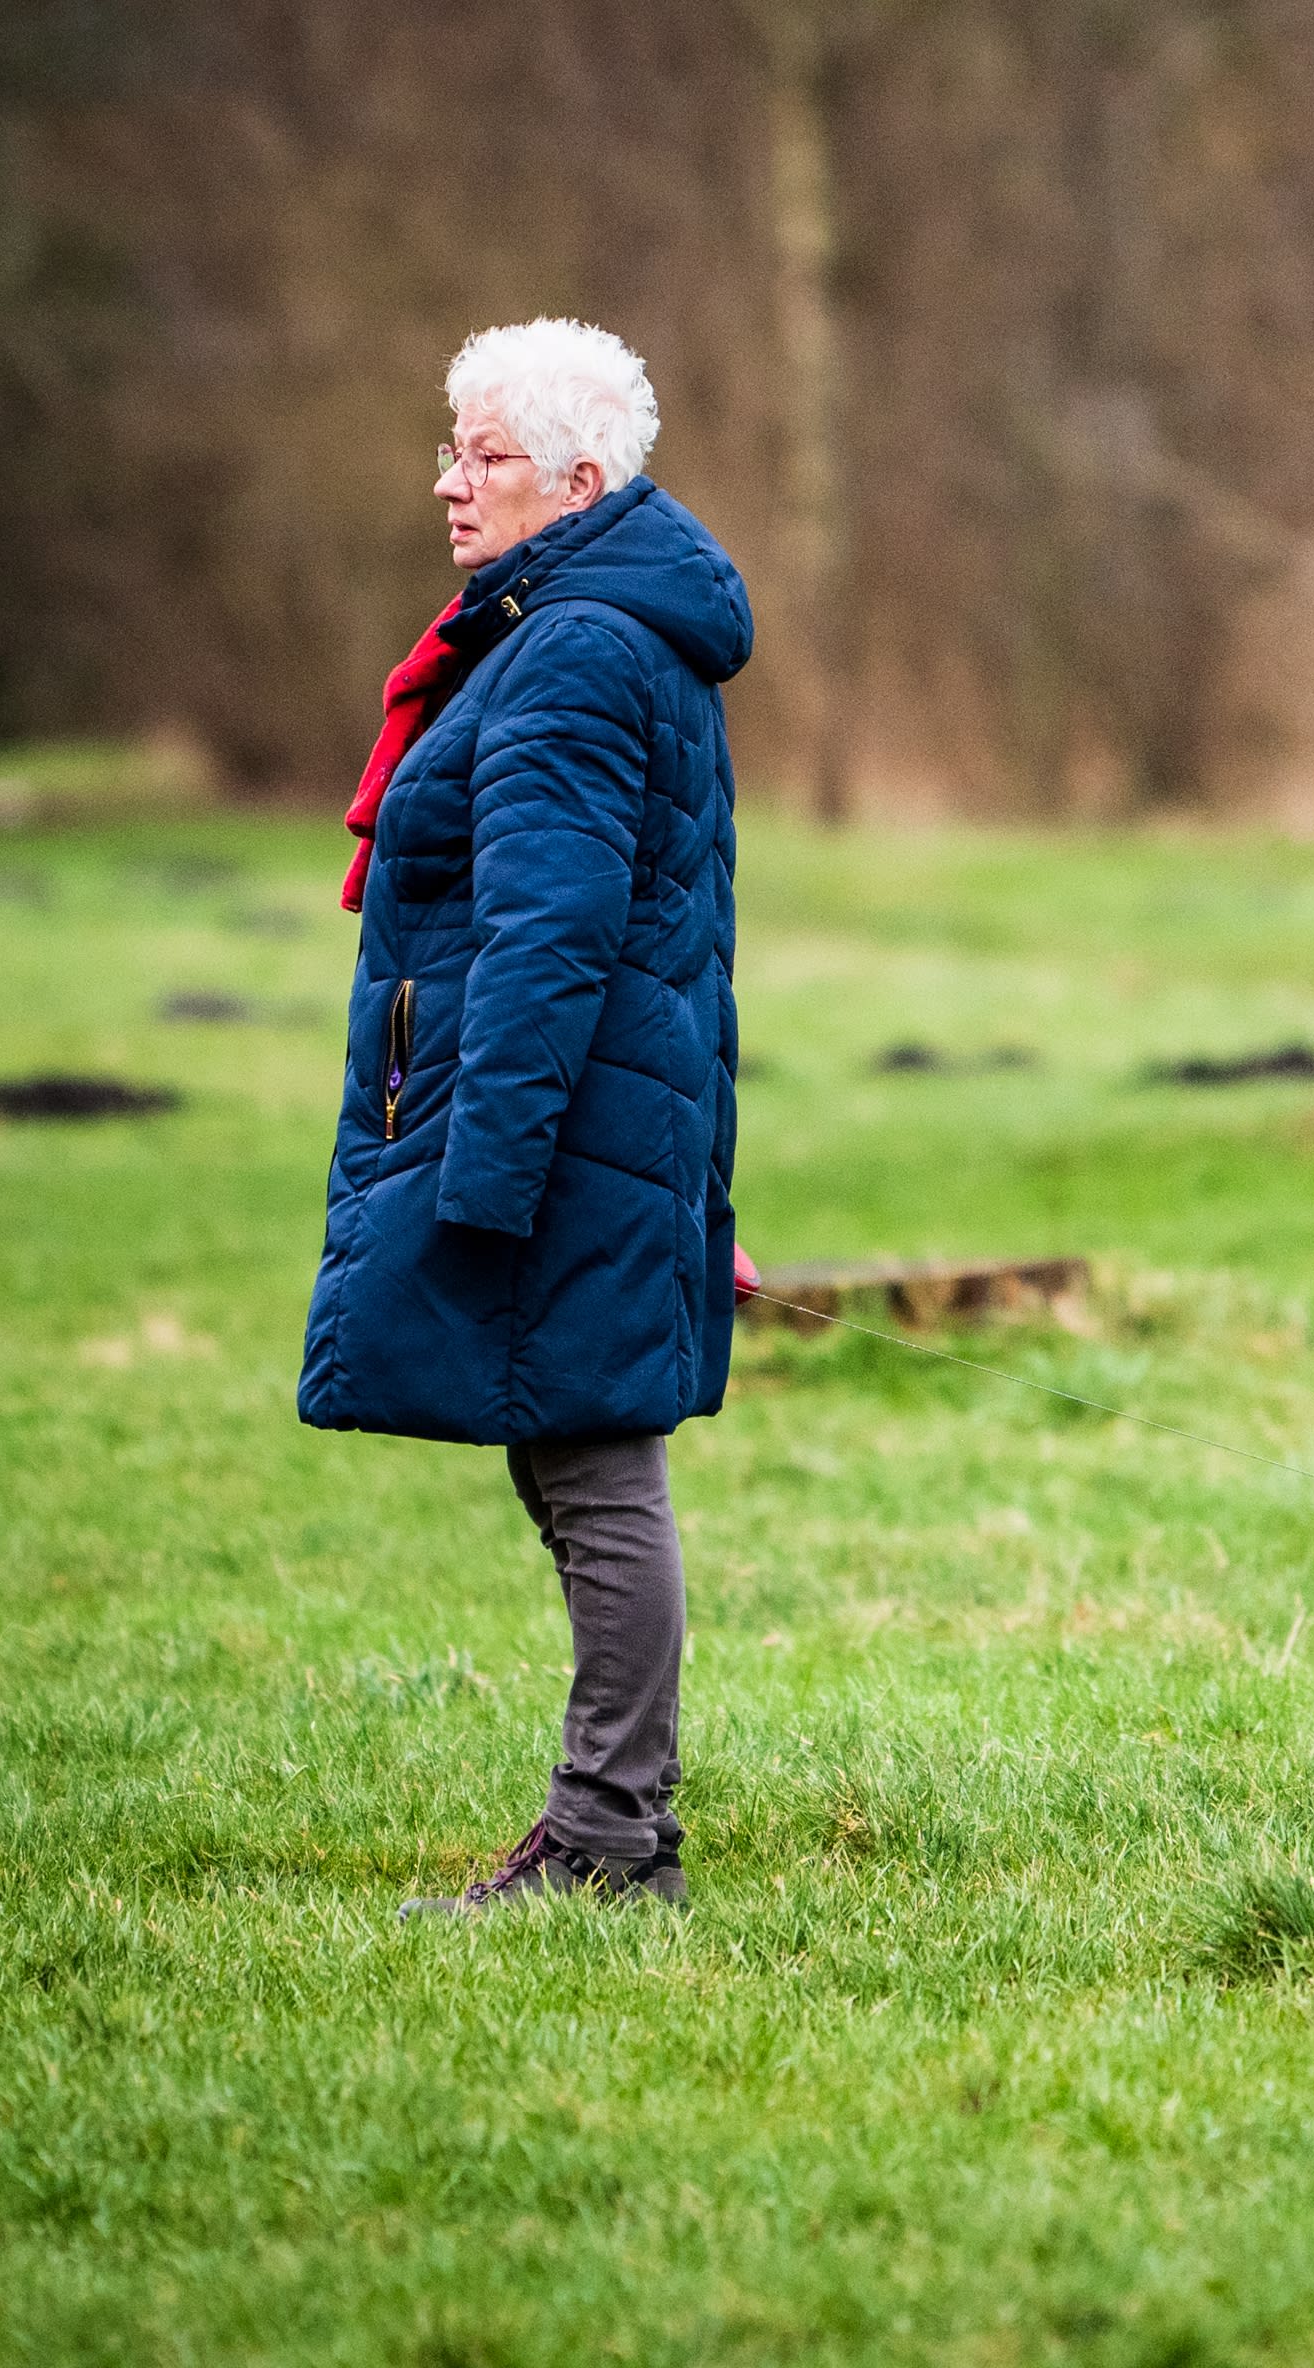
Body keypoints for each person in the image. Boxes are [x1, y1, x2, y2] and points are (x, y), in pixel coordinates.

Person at [297, 318, 754, 1917]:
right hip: (605, 1112)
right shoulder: (591, 628)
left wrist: (485, 1171)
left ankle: (612, 1839)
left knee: (591, 1462)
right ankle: (611, 1829)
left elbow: (554, 936)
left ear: (575, 479)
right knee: (571, 1452)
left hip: (552, 1115)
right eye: (448, 447)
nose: (448, 481)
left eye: (481, 453)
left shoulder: (571, 649)